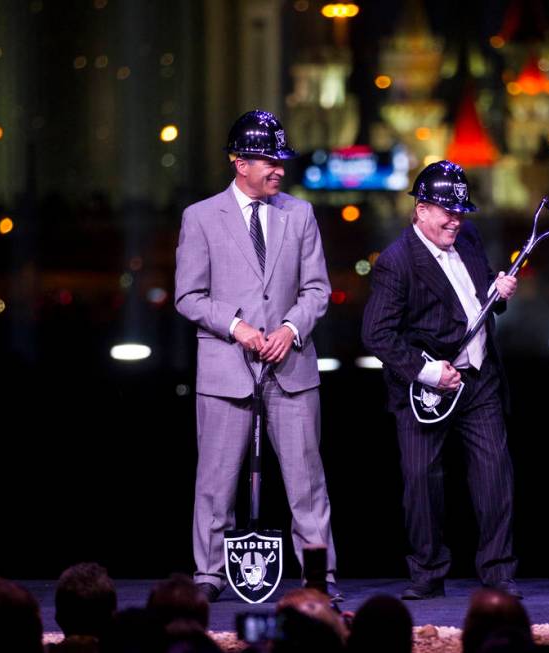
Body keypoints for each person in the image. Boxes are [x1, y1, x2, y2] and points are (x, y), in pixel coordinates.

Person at [175, 109, 338, 602]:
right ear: (238, 162)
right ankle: (208, 575)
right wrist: (238, 327)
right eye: (269, 160)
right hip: (227, 368)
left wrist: (290, 327)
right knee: (215, 481)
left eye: (280, 160)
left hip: (290, 368)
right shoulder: (200, 218)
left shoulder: (300, 214)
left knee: (307, 482)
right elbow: (188, 295)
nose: (279, 169)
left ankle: (318, 577)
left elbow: (317, 289)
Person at [362, 160, 520, 600]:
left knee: (494, 474)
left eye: (460, 211)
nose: (456, 219)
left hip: (480, 379)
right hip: (424, 390)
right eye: (447, 211)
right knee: (421, 478)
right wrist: (429, 371)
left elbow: (479, 298)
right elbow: (376, 334)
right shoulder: (398, 263)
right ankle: (427, 573)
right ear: (421, 210)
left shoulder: (466, 237)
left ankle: (498, 572)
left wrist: (498, 292)